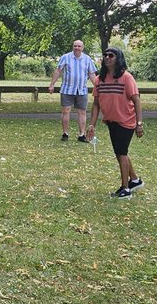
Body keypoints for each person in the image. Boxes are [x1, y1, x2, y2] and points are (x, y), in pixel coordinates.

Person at [87, 47, 145, 199]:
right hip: (111, 121)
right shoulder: (100, 79)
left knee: (121, 152)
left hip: (126, 121)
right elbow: (96, 104)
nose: (107, 58)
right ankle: (135, 180)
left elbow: (137, 100)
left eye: (111, 55)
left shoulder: (126, 78)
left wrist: (139, 123)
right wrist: (92, 124)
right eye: (105, 55)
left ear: (118, 58)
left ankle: (125, 189)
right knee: (120, 152)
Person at [48, 39, 98, 142]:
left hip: (82, 90)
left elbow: (92, 74)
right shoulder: (65, 57)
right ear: (73, 47)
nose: (77, 48)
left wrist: (97, 87)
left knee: (82, 112)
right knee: (66, 111)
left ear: (82, 48)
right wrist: (52, 85)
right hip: (67, 89)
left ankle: (81, 135)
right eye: (75, 46)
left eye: (79, 46)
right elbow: (58, 71)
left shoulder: (87, 59)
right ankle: (65, 133)